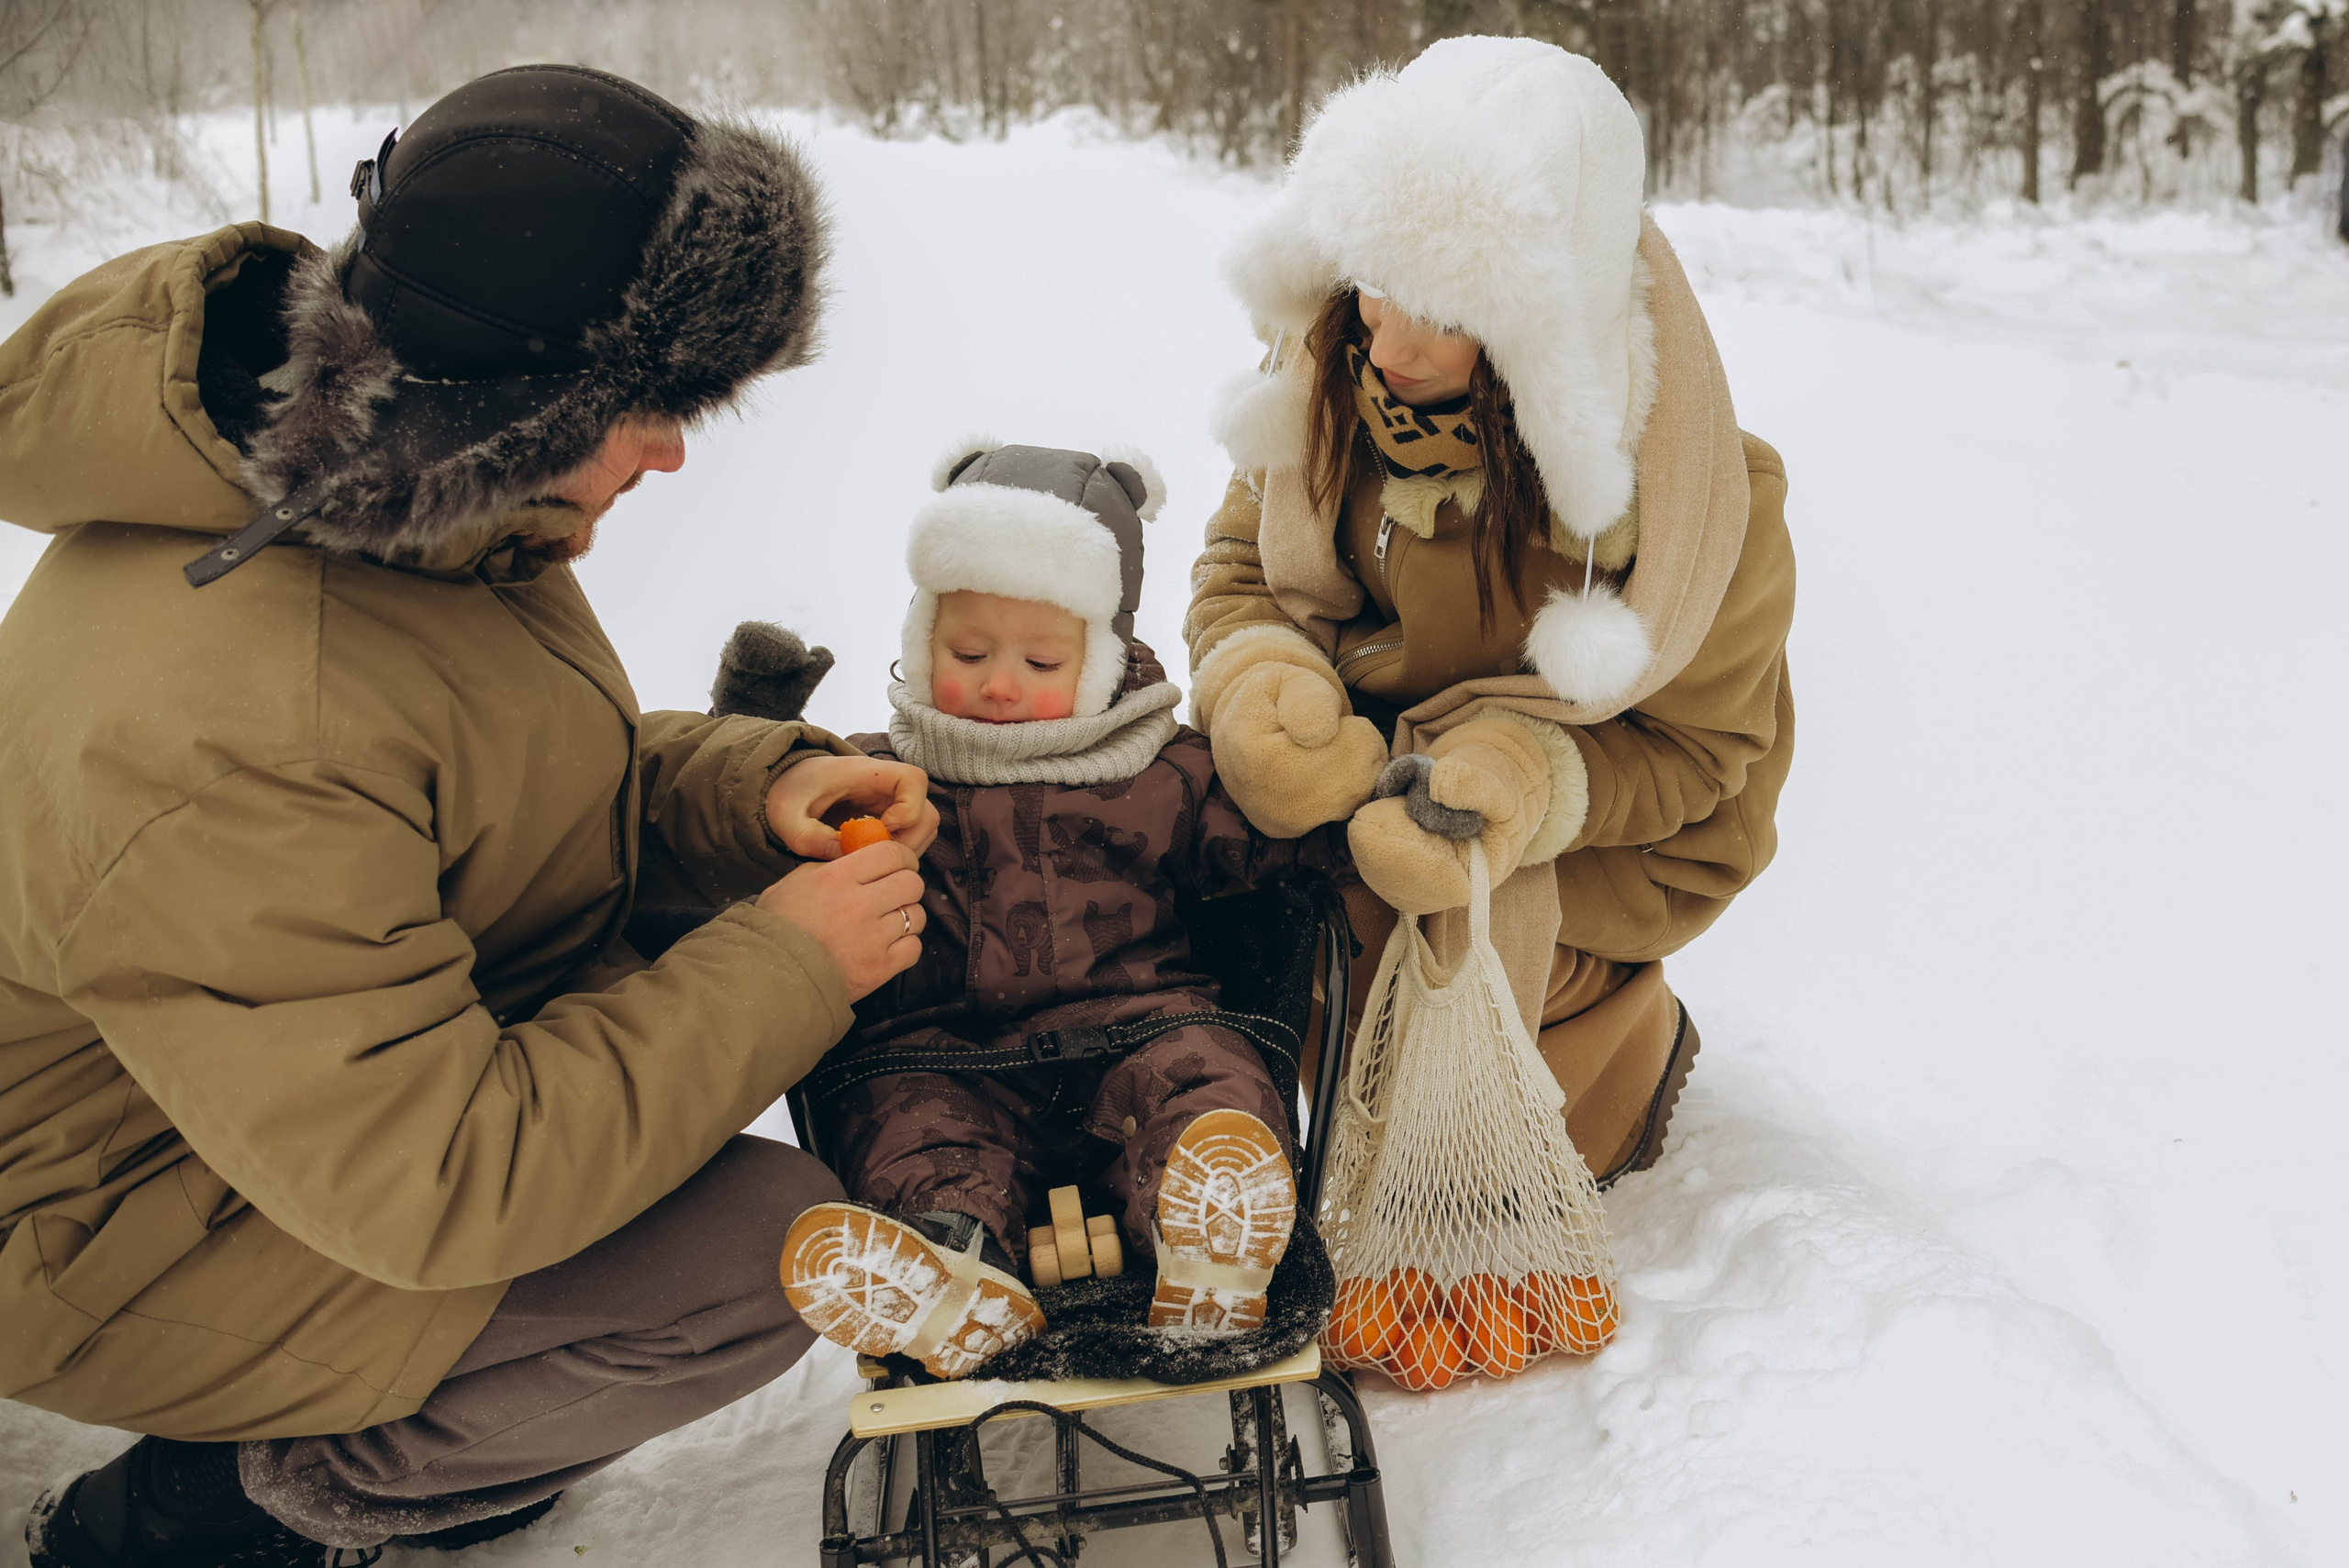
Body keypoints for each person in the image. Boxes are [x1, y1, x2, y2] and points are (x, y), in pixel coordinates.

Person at [0, 66, 940, 1567]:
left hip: (267, 1105)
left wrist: (743, 792)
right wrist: (785, 963)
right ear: (522, 400)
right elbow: (440, 1176)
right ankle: (217, 1508)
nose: (671, 451)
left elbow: (502, 782)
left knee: (685, 1053)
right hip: (108, 1224)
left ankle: (430, 1404)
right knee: (758, 1254)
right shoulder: (233, 724)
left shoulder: (419, 495)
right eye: (644, 408)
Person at [1185, 37, 1797, 1184]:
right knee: (1180, 879)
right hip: (1367, 771)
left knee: (1379, 944)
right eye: (1378, 279)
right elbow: (1240, 565)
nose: (1395, 342)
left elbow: (1699, 754)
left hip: (1600, 842)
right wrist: (1266, 684)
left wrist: (1518, 784)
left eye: (1449, 309)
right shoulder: (1324, 380)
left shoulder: (1701, 496)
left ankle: (1606, 1048)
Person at [768, 441, 1348, 1381]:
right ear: (921, 641)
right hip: (943, 1058)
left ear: (1100, 658)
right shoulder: (877, 775)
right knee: (911, 1134)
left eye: (1040, 658)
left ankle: (1207, 1237)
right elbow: (769, 850)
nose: (999, 682)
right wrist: (759, 740)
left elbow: (1280, 844)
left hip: (1136, 1032)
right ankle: (950, 1269)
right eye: (965, 652)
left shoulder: (1163, 769)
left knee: (1204, 1081)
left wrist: (1341, 799)